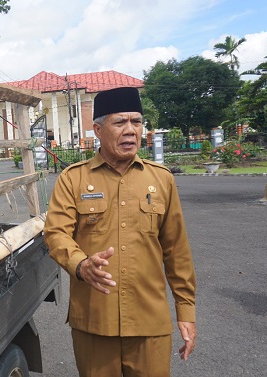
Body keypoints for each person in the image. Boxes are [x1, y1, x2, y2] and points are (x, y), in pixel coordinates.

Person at [43, 87, 196, 377]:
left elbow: (177, 250)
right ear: (98, 130)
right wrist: (81, 265)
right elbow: (56, 234)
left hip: (149, 323)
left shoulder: (161, 180)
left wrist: (185, 311)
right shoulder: (73, 179)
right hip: (94, 322)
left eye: (136, 122)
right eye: (120, 123)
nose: (130, 131)